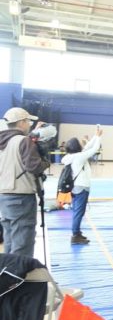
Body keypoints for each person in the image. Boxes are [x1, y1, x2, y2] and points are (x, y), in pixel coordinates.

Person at [0, 108, 50, 256]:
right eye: (28, 121)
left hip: (4, 195)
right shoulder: (23, 141)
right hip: (21, 197)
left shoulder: (4, 141)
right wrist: (45, 162)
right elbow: (34, 167)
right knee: (23, 242)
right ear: (21, 122)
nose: (29, 124)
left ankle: (8, 274)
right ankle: (19, 276)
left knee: (9, 239)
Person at [61, 127, 102, 245]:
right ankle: (75, 235)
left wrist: (95, 136)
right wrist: (99, 137)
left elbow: (87, 147)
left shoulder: (72, 156)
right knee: (78, 212)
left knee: (77, 211)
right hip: (81, 187)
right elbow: (93, 149)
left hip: (75, 187)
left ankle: (77, 233)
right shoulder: (79, 157)